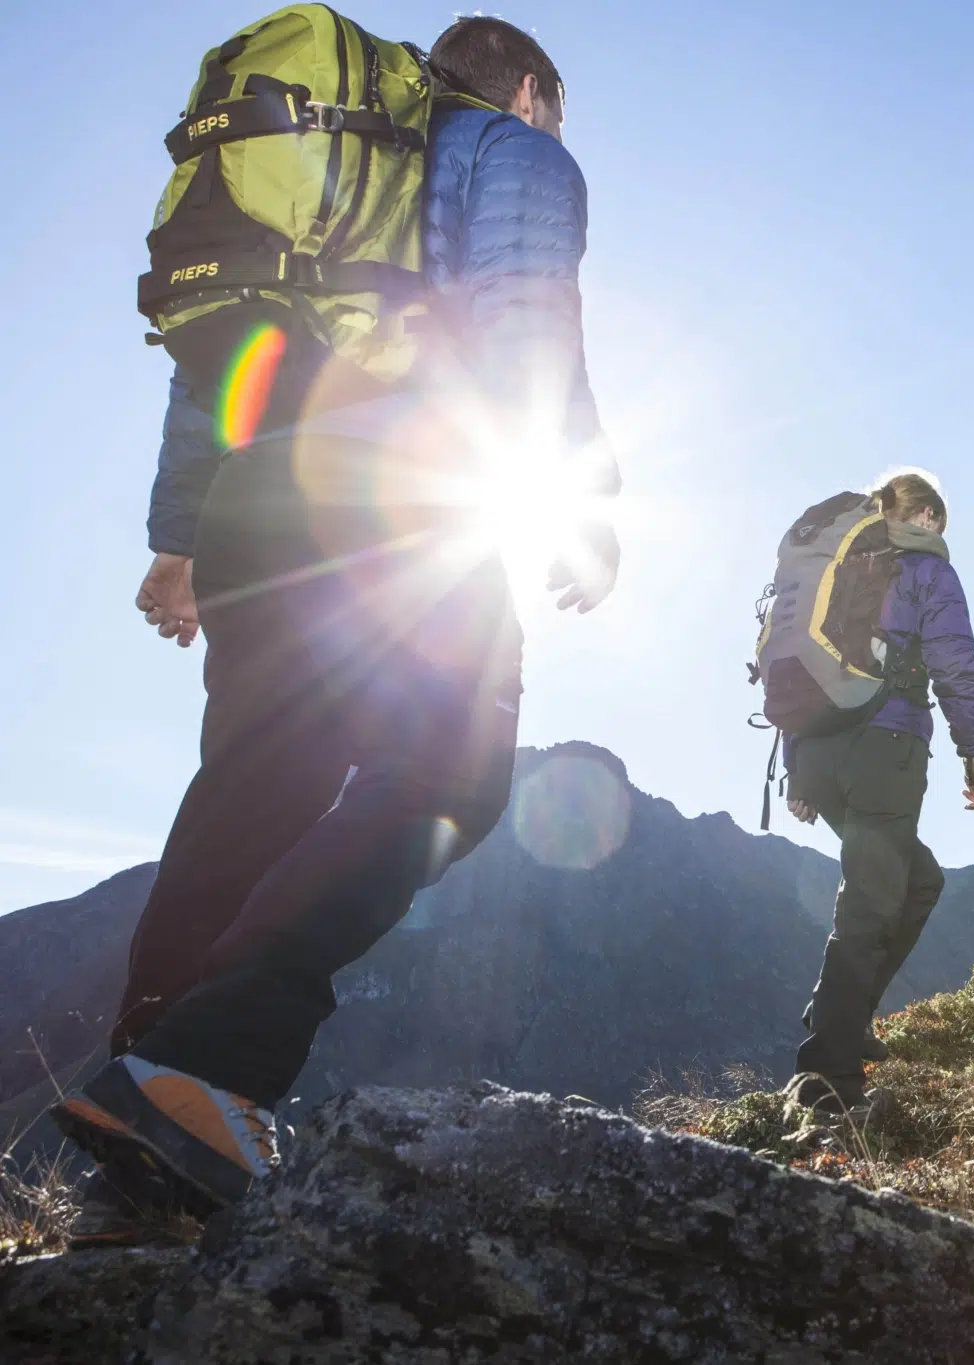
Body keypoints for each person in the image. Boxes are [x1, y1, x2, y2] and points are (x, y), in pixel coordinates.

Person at [53, 17, 619, 1239]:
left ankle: (142, 1122)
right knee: (449, 775)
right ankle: (202, 1067)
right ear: (529, 90)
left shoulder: (325, 178)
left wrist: (182, 541)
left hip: (262, 499)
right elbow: (525, 312)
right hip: (401, 493)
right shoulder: (507, 150)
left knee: (257, 787)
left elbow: (219, 364)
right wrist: (574, 493)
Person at [785, 472, 974, 1116]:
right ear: (927, 517)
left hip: (821, 749)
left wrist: (800, 768)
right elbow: (955, 664)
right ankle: (827, 1074)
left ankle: (841, 1015)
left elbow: (796, 659)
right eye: (941, 524)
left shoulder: (838, 564)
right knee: (870, 904)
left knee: (917, 880)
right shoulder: (928, 572)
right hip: (887, 747)